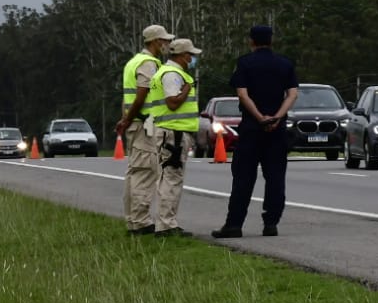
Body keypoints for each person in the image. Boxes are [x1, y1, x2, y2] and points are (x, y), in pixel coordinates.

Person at [213, 25, 300, 239]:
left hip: (252, 128)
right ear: (272, 41)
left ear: (251, 41)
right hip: (277, 129)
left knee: (243, 177)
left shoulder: (245, 63)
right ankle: (271, 223)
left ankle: (234, 225)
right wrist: (277, 117)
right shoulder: (285, 64)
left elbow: (242, 95)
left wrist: (260, 117)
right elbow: (292, 95)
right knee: (276, 177)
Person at [114, 25, 173, 235]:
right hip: (144, 124)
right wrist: (129, 119)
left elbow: (127, 97)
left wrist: (124, 119)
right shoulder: (148, 63)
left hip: (135, 122)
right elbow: (141, 95)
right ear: (155, 41)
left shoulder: (133, 62)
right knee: (145, 171)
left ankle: (133, 219)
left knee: (134, 172)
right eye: (164, 40)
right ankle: (140, 221)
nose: (167, 44)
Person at [147, 38, 202, 237]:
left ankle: (166, 223)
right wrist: (187, 88)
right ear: (182, 55)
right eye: (190, 54)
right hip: (174, 133)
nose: (192, 58)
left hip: (171, 132)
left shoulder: (166, 72)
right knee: (172, 179)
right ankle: (167, 225)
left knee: (168, 178)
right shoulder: (172, 75)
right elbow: (172, 102)